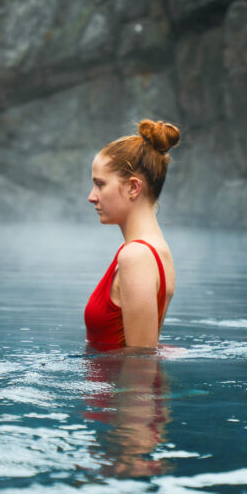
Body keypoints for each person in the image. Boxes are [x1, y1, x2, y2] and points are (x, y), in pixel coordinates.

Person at [84, 119, 180, 351]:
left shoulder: (136, 256)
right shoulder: (154, 249)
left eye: (100, 184)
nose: (92, 196)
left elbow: (141, 366)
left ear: (133, 188)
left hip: (118, 387)